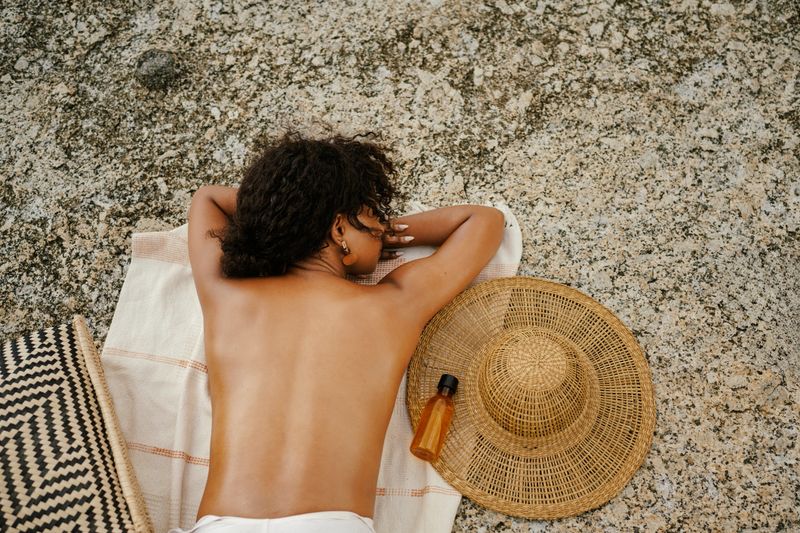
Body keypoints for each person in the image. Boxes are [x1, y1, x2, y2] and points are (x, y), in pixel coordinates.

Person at [174, 130, 506, 532]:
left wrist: (298, 211)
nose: (383, 228)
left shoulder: (226, 296)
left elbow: (207, 198)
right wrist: (377, 230)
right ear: (337, 230)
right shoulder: (393, 305)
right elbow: (485, 221)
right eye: (373, 215)